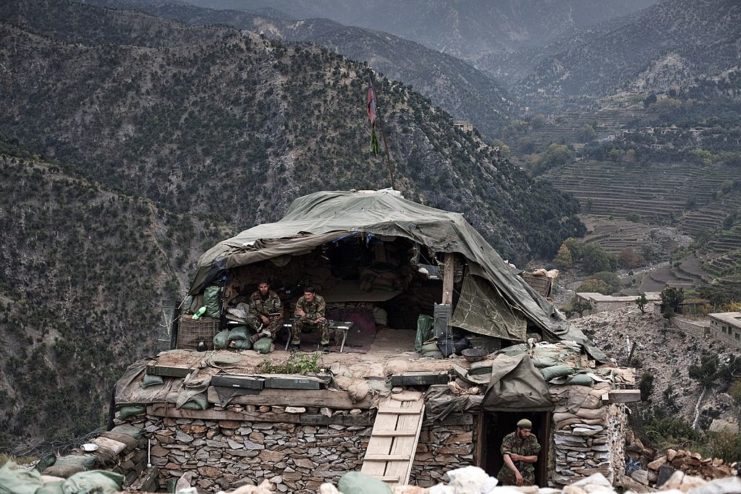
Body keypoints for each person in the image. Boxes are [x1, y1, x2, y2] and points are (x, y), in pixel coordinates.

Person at [497, 419, 540, 486]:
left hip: (527, 477)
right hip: (509, 476)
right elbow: (506, 456)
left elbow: (535, 458)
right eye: (525, 431)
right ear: (518, 429)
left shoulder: (532, 438)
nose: (527, 434)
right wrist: (516, 472)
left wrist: (519, 457)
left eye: (529, 431)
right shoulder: (509, 438)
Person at [291, 286, 330, 352]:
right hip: (306, 321)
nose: (307, 297)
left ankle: (325, 345)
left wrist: (305, 315)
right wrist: (312, 321)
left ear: (313, 294)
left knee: (323, 322)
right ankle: (295, 345)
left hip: (316, 320)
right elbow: (297, 314)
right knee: (296, 322)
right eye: (305, 295)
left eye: (309, 295)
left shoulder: (320, 299)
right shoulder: (301, 300)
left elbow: (320, 314)